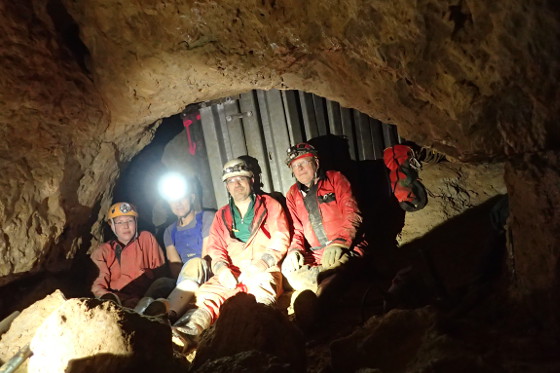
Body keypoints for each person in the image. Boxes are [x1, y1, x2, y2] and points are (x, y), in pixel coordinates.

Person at [171, 158, 290, 351]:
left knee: (262, 294)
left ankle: (256, 339)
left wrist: (262, 263)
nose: (237, 184)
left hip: (262, 270)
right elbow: (216, 248)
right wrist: (221, 268)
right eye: (231, 181)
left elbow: (281, 236)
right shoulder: (222, 215)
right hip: (232, 271)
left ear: (251, 180)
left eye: (241, 179)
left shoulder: (270, 205)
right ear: (226, 186)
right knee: (208, 295)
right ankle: (186, 331)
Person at [281, 143, 367, 321]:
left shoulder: (335, 179)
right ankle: (323, 287)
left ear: (316, 163)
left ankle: (318, 304)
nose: (300, 168)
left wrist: (339, 243)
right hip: (316, 255)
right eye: (295, 166)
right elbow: (297, 230)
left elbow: (352, 213)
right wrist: (294, 251)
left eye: (304, 162)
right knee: (290, 273)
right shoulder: (292, 194)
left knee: (336, 271)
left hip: (346, 247)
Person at [140, 173, 215, 321]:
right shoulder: (169, 231)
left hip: (207, 272)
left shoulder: (207, 218)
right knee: (160, 283)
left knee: (196, 263)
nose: (178, 204)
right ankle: (138, 317)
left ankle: (170, 315)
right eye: (173, 200)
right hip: (183, 280)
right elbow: (175, 266)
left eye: (182, 198)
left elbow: (208, 255)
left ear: (192, 198)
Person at [90, 202, 173, 308]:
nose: (125, 226)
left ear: (136, 222)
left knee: (164, 283)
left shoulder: (146, 239)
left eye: (130, 220)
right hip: (118, 303)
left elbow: (161, 272)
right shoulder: (103, 252)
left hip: (146, 299)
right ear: (112, 225)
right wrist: (122, 300)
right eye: (119, 222)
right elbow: (97, 287)